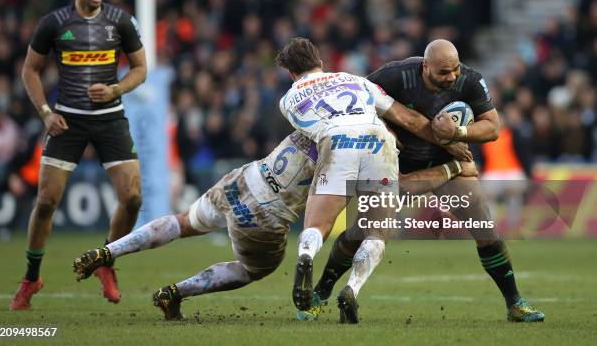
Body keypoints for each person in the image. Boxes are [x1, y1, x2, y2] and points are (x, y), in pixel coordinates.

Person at [72, 130, 478, 320]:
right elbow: (399, 187)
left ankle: (111, 251)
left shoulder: (315, 119)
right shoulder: (361, 147)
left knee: (182, 222)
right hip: (264, 216)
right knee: (253, 269)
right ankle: (176, 292)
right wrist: (452, 166)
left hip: (240, 181)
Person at [305, 39, 544, 323]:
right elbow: (357, 106)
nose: (452, 77)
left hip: (446, 167)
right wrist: (383, 131)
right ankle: (321, 291)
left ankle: (514, 303)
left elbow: (493, 127)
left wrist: (459, 132)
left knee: (484, 229)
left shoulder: (469, 81)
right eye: (444, 72)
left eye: (454, 70)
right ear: (425, 66)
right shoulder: (395, 75)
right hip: (394, 168)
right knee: (362, 233)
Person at [275, 37, 471, 323]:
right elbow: (407, 118)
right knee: (377, 232)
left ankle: (306, 255)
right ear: (320, 62)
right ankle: (352, 288)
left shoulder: (288, 100)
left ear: (291, 73)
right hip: (378, 139)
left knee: (318, 226)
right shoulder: (353, 79)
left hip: (336, 140)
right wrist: (449, 144)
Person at [11, 0, 147, 310]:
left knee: (132, 198)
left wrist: (115, 88)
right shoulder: (54, 23)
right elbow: (30, 69)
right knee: (45, 202)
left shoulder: (120, 21)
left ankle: (105, 261)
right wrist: (45, 112)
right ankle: (31, 276)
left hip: (109, 119)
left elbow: (141, 68)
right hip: (67, 122)